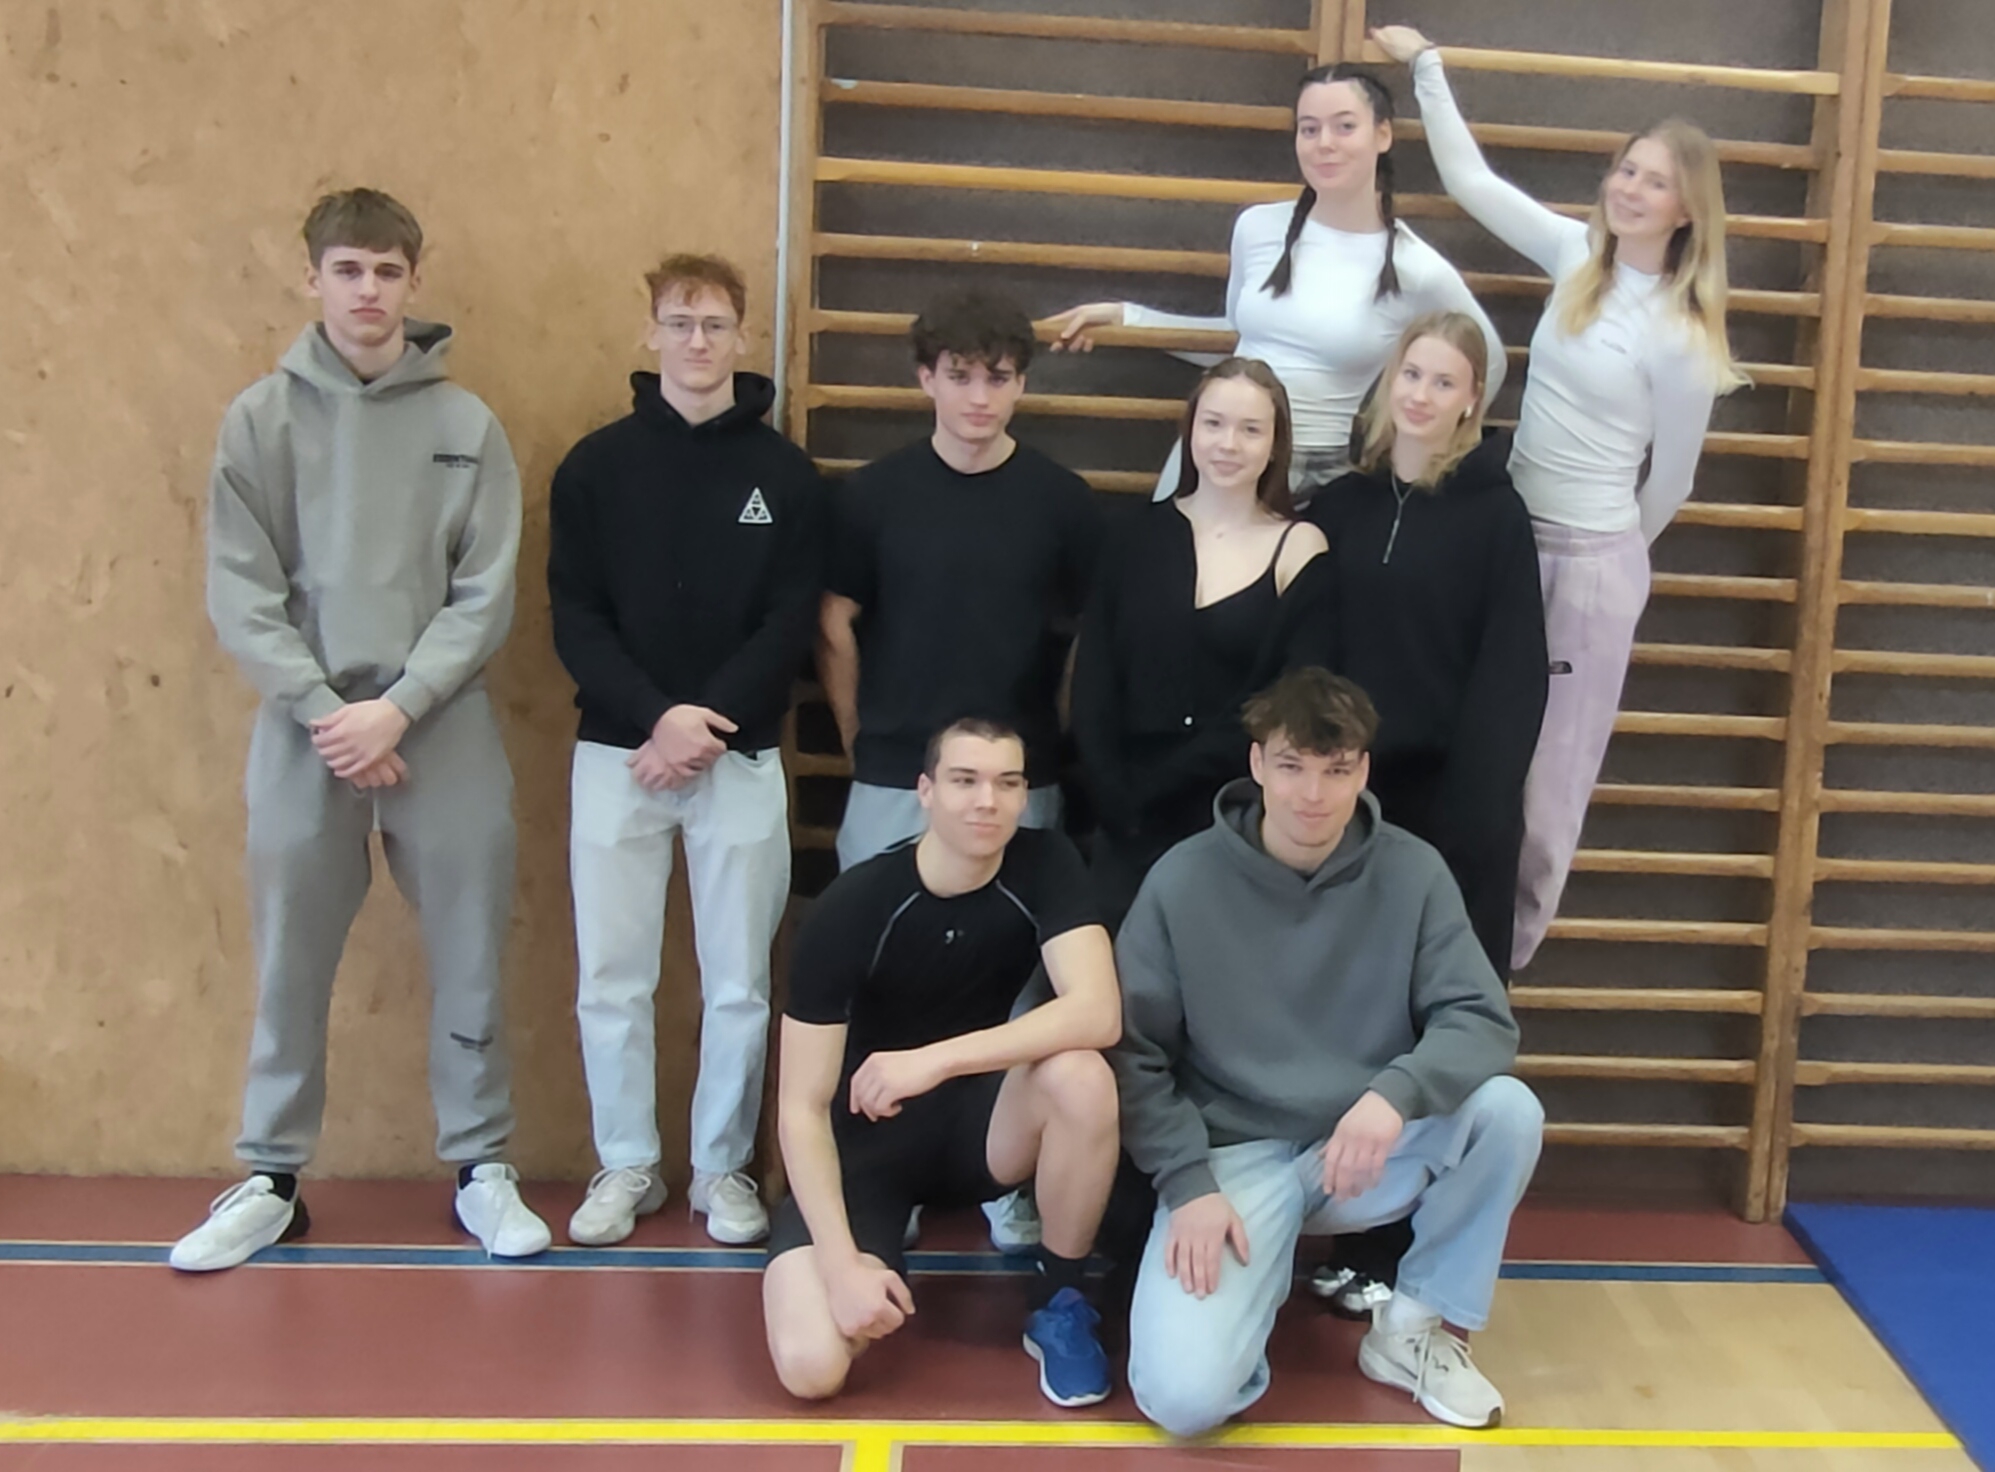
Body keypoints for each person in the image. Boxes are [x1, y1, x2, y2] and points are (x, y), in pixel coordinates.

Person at [175, 188, 548, 1271]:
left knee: (470, 954)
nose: (368, 291)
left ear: (414, 281)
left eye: (387, 271)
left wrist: (401, 705)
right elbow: (242, 593)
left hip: (440, 724)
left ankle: (481, 1168)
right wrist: (328, 713)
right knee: (291, 956)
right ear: (313, 280)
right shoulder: (260, 420)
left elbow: (484, 592)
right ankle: (269, 1176)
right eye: (347, 271)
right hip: (309, 733)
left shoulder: (465, 427)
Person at [1371, 26, 1750, 973]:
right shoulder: (1576, 259)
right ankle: (1420, 949)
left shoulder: (1680, 337)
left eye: (1654, 182)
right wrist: (1425, 67)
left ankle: (1497, 970)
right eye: (1626, 170)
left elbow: (1671, 482)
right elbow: (1470, 182)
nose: (1631, 189)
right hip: (1506, 537)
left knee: (1544, 789)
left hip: (1585, 565)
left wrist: (1601, 559)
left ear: (1685, 210)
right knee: (1467, 753)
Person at [1113, 668, 1541, 1436]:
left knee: (1506, 1111)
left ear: (1363, 772)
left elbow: (1480, 1018)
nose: (1312, 794)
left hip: (1363, 1147)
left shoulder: (1413, 872)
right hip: (1230, 1157)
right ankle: (1251, 1291)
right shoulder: (1180, 881)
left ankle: (1410, 1332)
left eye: (1335, 770)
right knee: (1183, 1403)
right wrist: (1186, 1183)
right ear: (1256, 764)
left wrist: (1393, 1096)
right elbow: (1132, 1054)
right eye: (1291, 766)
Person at [547, 253, 822, 1248]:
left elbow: (791, 619)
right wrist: (655, 716)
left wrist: (707, 722)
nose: (696, 341)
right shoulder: (595, 467)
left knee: (739, 980)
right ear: (650, 333)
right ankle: (626, 1160)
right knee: (612, 977)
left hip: (737, 760)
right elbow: (575, 617)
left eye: (713, 324)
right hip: (617, 756)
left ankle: (721, 1168)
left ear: (742, 337)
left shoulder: (784, 474)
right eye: (678, 322)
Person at [762, 719, 1123, 1409]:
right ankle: (867, 1253)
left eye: (1007, 783)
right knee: (811, 1367)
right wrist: (841, 1267)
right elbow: (800, 1107)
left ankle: (1060, 1299)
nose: (987, 800)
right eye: (965, 780)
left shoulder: (1046, 863)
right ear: (925, 791)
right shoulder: (853, 906)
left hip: (976, 1131)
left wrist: (932, 1061)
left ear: (1023, 796)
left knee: (1082, 1076)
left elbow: (1097, 1012)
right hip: (864, 1149)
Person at [1047, 63, 1504, 495]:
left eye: (1345, 126)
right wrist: (1130, 318)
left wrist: (1417, 448)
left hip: (1320, 476)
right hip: (1219, 447)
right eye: (1309, 129)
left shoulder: (1417, 268)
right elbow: (1238, 339)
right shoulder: (1258, 227)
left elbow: (1490, 363)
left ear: (1382, 134)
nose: (1325, 143)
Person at [1298, 313, 1546, 977]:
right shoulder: (1339, 507)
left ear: (1471, 400)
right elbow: (1307, 654)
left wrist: (1475, 812)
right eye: (1411, 374)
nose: (1420, 395)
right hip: (1348, 790)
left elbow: (1511, 675)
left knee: (1439, 988)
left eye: (1443, 382)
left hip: (1450, 801)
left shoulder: (1497, 516)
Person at [818, 293, 1102, 871]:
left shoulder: (1065, 503)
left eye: (997, 378)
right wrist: (859, 739)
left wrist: (1053, 740)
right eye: (959, 376)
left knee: (1015, 928)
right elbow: (833, 621)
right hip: (895, 771)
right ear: (927, 378)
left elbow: (1088, 639)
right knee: (879, 926)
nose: (979, 397)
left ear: (1021, 384)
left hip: (1018, 773)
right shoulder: (871, 495)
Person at [1073, 357, 1326, 930]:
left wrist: (1170, 784)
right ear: (1190, 431)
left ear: (1276, 443)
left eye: (1250, 429)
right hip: (1125, 814)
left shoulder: (1300, 547)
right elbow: (1094, 681)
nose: (1228, 444)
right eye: (1213, 424)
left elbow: (1288, 697)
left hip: (1235, 811)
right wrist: (1115, 798)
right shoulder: (1132, 535)